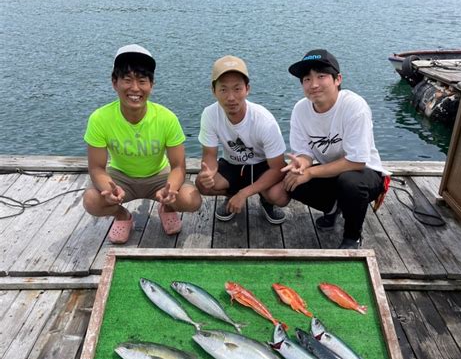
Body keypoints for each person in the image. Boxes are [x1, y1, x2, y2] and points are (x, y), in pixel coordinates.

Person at [267, 49, 389, 249]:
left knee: (350, 182)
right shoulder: (300, 109)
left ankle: (352, 237)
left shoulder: (354, 106)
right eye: (307, 79)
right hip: (331, 172)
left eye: (321, 76)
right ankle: (332, 208)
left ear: (337, 79)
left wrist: (311, 172)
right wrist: (301, 164)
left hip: (365, 173)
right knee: (291, 179)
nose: (313, 84)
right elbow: (304, 152)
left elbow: (357, 161)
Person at [83, 44, 201, 243]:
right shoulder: (99, 118)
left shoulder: (167, 118)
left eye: (142, 81)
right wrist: (108, 189)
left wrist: (171, 190)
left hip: (159, 175)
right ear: (114, 83)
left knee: (192, 199)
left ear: (151, 85)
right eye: (127, 80)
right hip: (121, 177)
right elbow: (96, 168)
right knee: (91, 200)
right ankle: (122, 216)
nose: (135, 88)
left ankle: (167, 207)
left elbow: (179, 166)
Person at [196, 55, 287, 224]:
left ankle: (266, 201)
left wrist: (244, 194)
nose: (231, 97)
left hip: (261, 166)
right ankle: (231, 196)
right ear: (213, 90)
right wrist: (208, 172)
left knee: (279, 196)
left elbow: (278, 167)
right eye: (223, 89)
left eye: (237, 89)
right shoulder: (209, 114)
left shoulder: (264, 120)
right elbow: (209, 154)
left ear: (247, 89)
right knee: (203, 184)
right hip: (233, 164)